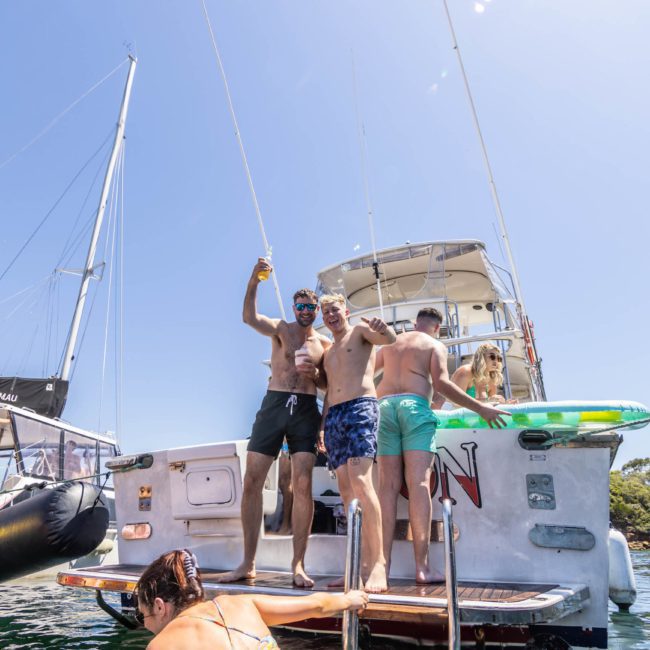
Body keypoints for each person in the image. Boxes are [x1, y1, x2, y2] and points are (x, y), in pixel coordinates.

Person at [216, 258, 330, 588]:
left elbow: (328, 385)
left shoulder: (323, 345)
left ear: (317, 310)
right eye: (301, 305)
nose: (306, 310)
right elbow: (248, 317)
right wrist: (254, 280)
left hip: (306, 410)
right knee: (252, 481)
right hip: (274, 405)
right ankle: (247, 563)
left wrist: (317, 374)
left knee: (303, 485)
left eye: (311, 306)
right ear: (294, 307)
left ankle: (298, 565)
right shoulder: (281, 329)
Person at [375, 308, 510, 584]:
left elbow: (367, 372)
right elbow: (442, 385)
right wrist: (481, 408)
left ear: (415, 324)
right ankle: (422, 568)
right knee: (419, 485)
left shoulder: (392, 342)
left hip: (384, 408)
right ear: (438, 328)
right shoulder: (434, 345)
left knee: (386, 490)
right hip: (414, 407)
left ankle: (382, 568)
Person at [136, 549, 368, 650]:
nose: (143, 624)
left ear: (159, 606)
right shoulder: (241, 603)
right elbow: (318, 605)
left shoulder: (161, 645)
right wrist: (349, 600)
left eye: (141, 615)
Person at [319, 293, 397, 593]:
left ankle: (378, 565)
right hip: (335, 415)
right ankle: (356, 566)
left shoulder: (360, 331)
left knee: (362, 482)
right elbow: (328, 392)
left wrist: (384, 327)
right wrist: (323, 425)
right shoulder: (328, 351)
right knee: (345, 490)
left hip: (361, 407)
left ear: (345, 310)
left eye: (334, 309)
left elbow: (388, 339)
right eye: (325, 312)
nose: (330, 315)